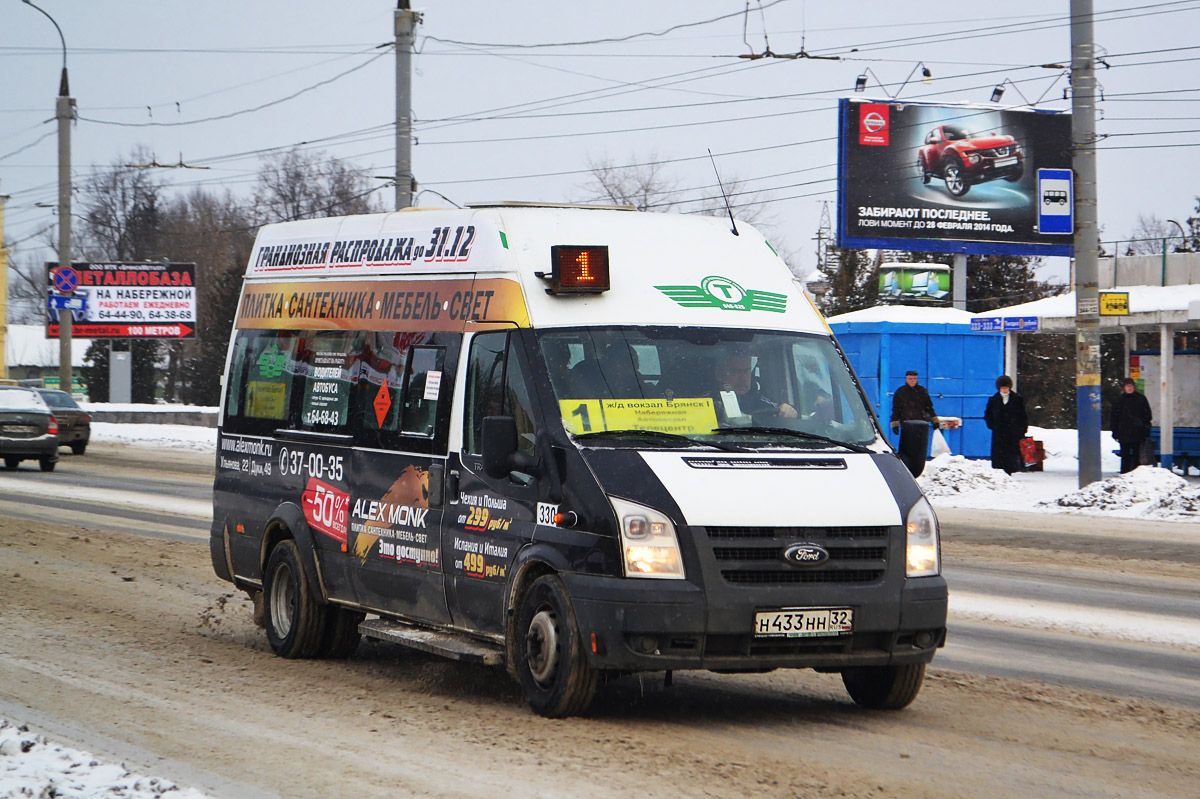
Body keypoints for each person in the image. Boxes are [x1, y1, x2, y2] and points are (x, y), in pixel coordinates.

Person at [712, 352, 797, 421]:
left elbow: (783, 410)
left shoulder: (761, 403)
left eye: (747, 371)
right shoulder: (705, 403)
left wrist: (789, 410)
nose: (743, 378)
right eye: (735, 372)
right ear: (719, 374)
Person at [984, 375, 1028, 474]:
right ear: (999, 388)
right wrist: (992, 425)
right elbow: (988, 414)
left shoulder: (1017, 399)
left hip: (1013, 432)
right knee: (998, 454)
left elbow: (1023, 416)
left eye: (1006, 387)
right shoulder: (993, 400)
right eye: (1002, 388)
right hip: (999, 432)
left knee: (1010, 454)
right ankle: (999, 471)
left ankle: (1010, 471)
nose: (1004, 390)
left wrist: (1022, 430)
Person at [1110, 377, 1153, 474]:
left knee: (1137, 454)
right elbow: (1114, 417)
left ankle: (1135, 473)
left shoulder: (1141, 399)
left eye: (1131, 386)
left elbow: (1147, 415)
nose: (1130, 388)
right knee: (1125, 455)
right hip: (1123, 432)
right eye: (1127, 386)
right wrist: (1114, 431)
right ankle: (1124, 473)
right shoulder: (1119, 400)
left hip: (1137, 432)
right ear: (1124, 387)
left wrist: (1145, 428)